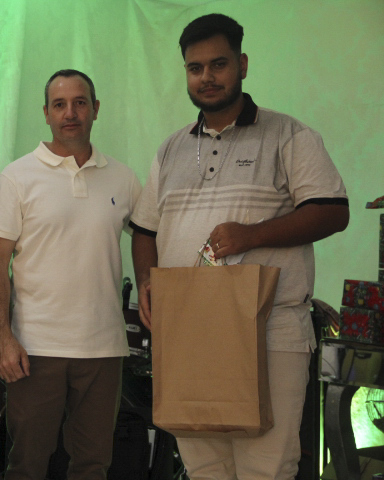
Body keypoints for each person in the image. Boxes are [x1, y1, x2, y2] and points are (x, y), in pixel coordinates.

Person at [130, 13, 349, 480]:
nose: (206, 77)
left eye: (219, 64)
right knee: (203, 465)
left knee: (266, 467)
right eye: (195, 68)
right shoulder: (170, 150)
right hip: (187, 327)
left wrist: (251, 235)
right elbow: (145, 230)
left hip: (269, 329)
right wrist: (147, 281)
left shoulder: (289, 135)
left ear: (242, 64)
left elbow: (333, 212)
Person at [0, 69, 142, 480]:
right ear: (46, 113)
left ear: (96, 109)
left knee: (93, 466)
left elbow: (150, 238)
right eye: (59, 104)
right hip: (35, 349)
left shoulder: (123, 178)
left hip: (104, 348)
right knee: (26, 465)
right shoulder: (17, 176)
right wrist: (4, 338)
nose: (70, 113)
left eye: (79, 102)